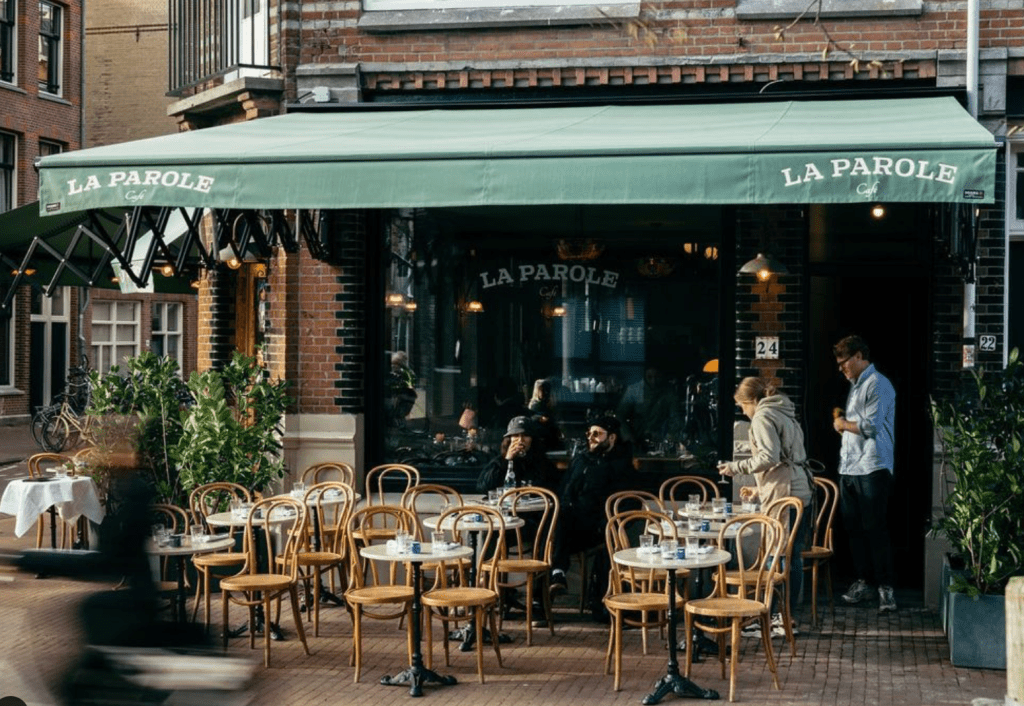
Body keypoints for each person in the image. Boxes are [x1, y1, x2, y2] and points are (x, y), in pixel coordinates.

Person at [717, 376, 814, 637]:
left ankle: (772, 619)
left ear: (751, 401)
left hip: (785, 493)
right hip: (799, 490)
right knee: (791, 556)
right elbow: (786, 457)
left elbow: (768, 457)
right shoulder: (784, 411)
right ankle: (784, 618)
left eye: (742, 407)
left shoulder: (762, 416)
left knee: (777, 556)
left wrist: (735, 468)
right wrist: (760, 489)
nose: (744, 413)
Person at [832, 335, 898, 613]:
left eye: (844, 362)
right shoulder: (855, 385)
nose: (841, 368)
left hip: (872, 465)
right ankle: (864, 582)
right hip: (849, 466)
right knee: (853, 529)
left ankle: (886, 588)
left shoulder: (879, 384)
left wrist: (841, 423)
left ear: (859, 356)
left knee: (875, 528)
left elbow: (870, 426)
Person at [548, 415, 633, 621]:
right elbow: (563, 489)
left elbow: (630, 501)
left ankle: (558, 574)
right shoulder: (581, 459)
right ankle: (551, 586)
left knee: (560, 524)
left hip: (600, 528)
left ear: (612, 438)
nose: (591, 438)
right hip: (572, 526)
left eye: (597, 434)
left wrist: (608, 521)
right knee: (550, 526)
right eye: (589, 434)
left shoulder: (621, 465)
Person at [476, 415, 558, 493]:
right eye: (516, 435)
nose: (520, 440)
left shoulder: (542, 462)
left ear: (532, 439)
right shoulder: (499, 462)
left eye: (525, 435)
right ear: (509, 440)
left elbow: (551, 489)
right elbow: (483, 487)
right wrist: (507, 460)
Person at [528, 378, 563, 451]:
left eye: (548, 390)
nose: (546, 392)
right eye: (543, 390)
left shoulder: (548, 404)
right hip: (542, 435)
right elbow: (531, 418)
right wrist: (539, 418)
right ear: (537, 391)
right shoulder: (535, 405)